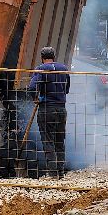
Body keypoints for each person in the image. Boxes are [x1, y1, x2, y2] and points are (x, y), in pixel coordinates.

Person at [28, 46, 70, 177]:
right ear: (54, 56)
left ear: (42, 58)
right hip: (62, 109)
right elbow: (67, 88)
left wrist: (36, 98)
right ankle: (61, 172)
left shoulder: (41, 69)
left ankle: (52, 174)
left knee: (48, 141)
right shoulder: (64, 68)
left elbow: (32, 87)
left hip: (47, 109)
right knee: (59, 141)